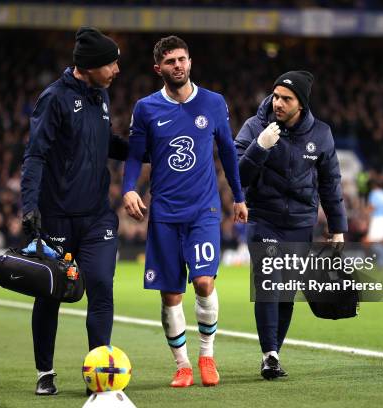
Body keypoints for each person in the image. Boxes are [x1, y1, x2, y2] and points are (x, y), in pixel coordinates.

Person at [122, 36, 247, 388]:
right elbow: (134, 155)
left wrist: (238, 196)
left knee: (205, 282)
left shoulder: (213, 102)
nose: (178, 65)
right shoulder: (146, 108)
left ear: (190, 62)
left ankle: (207, 356)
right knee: (170, 294)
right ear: (158, 68)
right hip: (163, 212)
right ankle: (183, 365)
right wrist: (129, 188)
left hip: (203, 210)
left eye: (182, 59)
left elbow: (228, 151)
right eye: (170, 61)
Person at [21, 26, 127, 396]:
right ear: (90, 65)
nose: (116, 69)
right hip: (58, 216)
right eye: (111, 63)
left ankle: (97, 373)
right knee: (52, 293)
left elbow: (105, 143)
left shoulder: (101, 97)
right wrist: (29, 205)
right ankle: (44, 372)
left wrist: (141, 150)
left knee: (100, 286)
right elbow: (35, 153)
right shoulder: (54, 99)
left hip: (97, 216)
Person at [234, 71, 347, 379]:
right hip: (264, 219)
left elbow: (330, 184)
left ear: (301, 103)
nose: (278, 103)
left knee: (286, 291)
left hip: (300, 223)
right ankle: (269, 354)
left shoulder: (321, 134)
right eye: (276, 96)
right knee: (269, 282)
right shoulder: (255, 127)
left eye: (287, 98)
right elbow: (238, 177)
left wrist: (337, 228)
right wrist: (259, 146)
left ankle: (274, 354)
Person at [364, 178, 383, 267]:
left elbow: (372, 207)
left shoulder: (374, 194)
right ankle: (381, 264)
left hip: (376, 220)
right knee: (380, 243)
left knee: (369, 242)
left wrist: (365, 213)